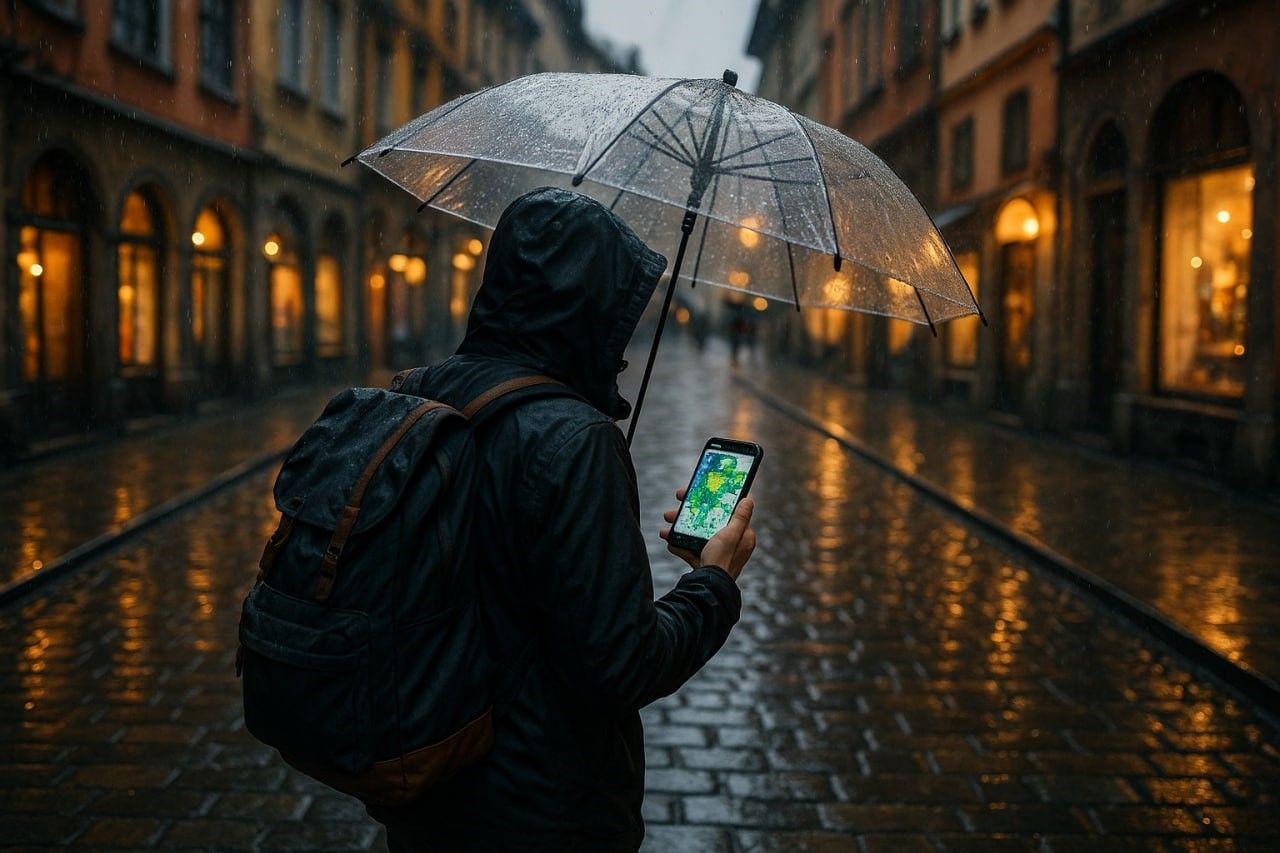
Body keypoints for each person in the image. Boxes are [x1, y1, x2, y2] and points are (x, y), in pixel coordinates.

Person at [373, 187, 757, 851]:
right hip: (539, 810)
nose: (625, 345)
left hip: (424, 781)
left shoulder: (416, 392)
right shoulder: (574, 438)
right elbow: (622, 666)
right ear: (589, 310)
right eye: (617, 315)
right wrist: (713, 582)